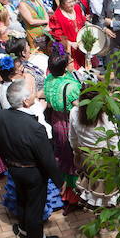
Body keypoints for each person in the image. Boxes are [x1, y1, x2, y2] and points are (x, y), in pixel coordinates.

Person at [0, 79, 63, 238]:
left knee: (22, 199)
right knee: (34, 206)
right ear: (25, 101)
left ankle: (23, 229)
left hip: (13, 168)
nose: (34, 95)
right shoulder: (35, 127)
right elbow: (47, 159)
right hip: (32, 173)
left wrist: (7, 162)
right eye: (31, 93)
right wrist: (60, 182)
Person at [42, 48, 81, 212]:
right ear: (65, 68)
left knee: (61, 157)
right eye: (70, 62)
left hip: (55, 121)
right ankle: (72, 197)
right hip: (67, 122)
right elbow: (78, 106)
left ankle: (63, 190)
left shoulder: (49, 79)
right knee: (72, 160)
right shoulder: (70, 86)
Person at [68, 88, 120, 208]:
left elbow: (72, 138)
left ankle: (95, 213)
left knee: (91, 189)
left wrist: (76, 153)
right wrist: (119, 160)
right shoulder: (107, 116)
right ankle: (102, 217)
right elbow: (114, 143)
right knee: (104, 194)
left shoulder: (74, 112)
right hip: (104, 160)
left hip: (86, 158)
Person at [48, 0, 88, 69]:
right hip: (68, 48)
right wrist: (70, 43)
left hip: (80, 45)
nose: (72, 4)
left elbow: (82, 21)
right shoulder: (56, 16)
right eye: (69, 2)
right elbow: (58, 36)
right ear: (62, 4)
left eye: (73, 1)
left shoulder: (77, 8)